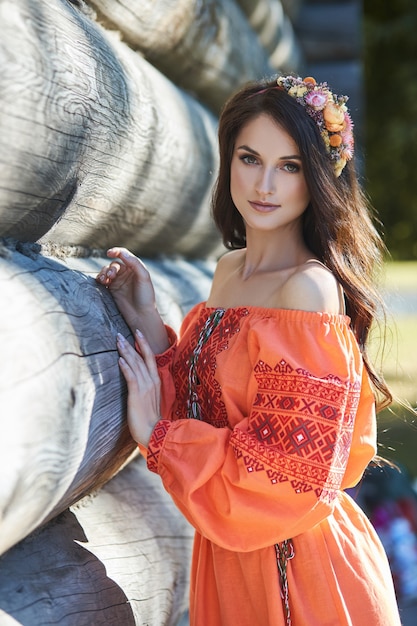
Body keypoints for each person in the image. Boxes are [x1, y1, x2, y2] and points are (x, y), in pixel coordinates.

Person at [97, 75, 402, 625]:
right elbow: (209, 402)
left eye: (289, 166)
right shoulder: (229, 271)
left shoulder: (307, 289)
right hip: (231, 560)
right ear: (228, 161)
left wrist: (160, 437)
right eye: (249, 158)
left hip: (299, 572)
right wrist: (144, 315)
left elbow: (288, 474)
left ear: (318, 179)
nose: (265, 184)